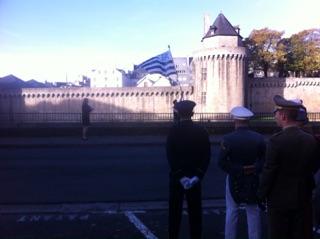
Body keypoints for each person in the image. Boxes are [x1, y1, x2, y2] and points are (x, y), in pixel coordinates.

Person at [257, 95, 319, 239]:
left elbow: (269, 171)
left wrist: (261, 194)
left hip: (279, 199)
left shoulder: (275, 141)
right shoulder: (310, 140)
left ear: (284, 116)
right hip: (303, 195)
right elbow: (314, 166)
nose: (275, 116)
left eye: (276, 113)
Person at [218, 106, 266, 239]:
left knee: (232, 211)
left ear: (235, 120)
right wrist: (254, 168)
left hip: (234, 177)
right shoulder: (259, 138)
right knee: (253, 211)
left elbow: (222, 162)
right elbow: (264, 159)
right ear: (248, 121)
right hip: (253, 177)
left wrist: (239, 169)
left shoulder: (228, 139)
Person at [166, 100, 211, 239]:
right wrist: (198, 175)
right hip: (194, 177)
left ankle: (173, 236)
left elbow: (170, 155)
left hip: (177, 177)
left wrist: (180, 175)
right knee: (195, 212)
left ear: (178, 113)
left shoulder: (173, 131)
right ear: (192, 113)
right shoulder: (201, 131)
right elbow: (206, 155)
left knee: (175, 211)